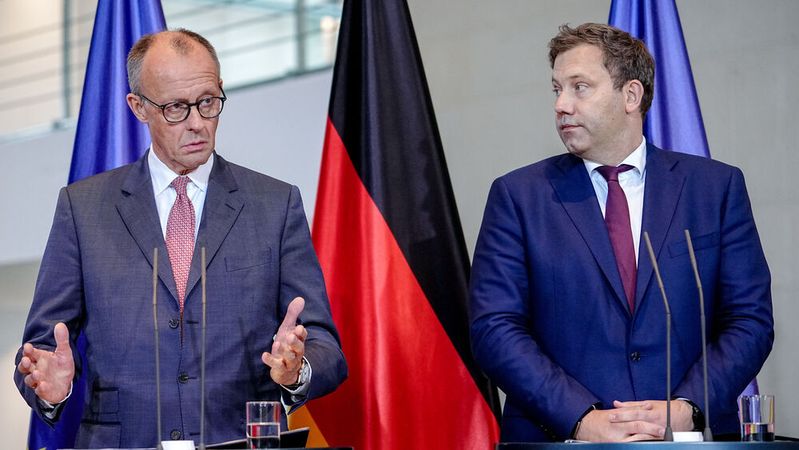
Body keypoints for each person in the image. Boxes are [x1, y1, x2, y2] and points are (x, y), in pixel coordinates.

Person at [14, 29, 347, 448]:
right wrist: (48, 384)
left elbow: (325, 346)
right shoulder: (83, 209)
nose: (197, 123)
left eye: (208, 102)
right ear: (138, 107)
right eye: (175, 107)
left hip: (242, 439)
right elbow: (42, 347)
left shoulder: (275, 204)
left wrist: (298, 370)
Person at [469, 23, 773, 442]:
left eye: (580, 87)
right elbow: (494, 327)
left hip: (688, 440)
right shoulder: (518, 196)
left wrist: (688, 408)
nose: (561, 104)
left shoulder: (715, 189)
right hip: (561, 439)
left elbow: (749, 319)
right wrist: (581, 419)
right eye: (557, 89)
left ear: (631, 95)